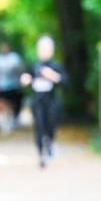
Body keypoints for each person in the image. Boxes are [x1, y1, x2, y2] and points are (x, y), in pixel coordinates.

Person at [20, 36, 65, 168]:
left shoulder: (56, 66)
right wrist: (25, 79)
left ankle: (50, 142)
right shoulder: (33, 65)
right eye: (42, 48)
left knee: (51, 125)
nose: (44, 51)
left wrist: (53, 76)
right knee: (39, 126)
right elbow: (24, 78)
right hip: (37, 101)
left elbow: (65, 81)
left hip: (51, 101)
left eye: (47, 49)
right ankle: (41, 155)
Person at [0, 42, 24, 133]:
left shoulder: (15, 58)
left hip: (14, 86)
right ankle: (6, 123)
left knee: (13, 105)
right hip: (2, 86)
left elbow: (19, 69)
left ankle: (13, 120)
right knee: (4, 105)